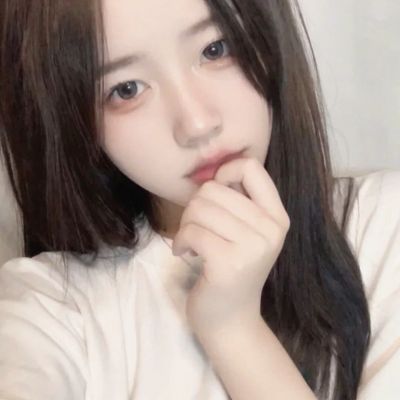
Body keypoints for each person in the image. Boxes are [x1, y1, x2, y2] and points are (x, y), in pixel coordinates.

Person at [0, 0, 398, 399]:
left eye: (215, 49)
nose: (197, 124)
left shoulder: (383, 228)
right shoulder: (50, 306)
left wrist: (234, 328)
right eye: (126, 89)